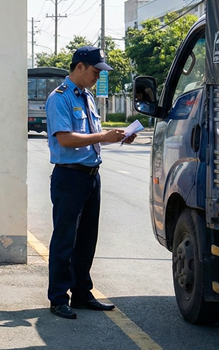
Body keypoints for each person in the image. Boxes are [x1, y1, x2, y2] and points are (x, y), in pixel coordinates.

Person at [45, 46, 136, 320]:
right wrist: (102, 138)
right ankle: (58, 298)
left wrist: (118, 136)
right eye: (95, 71)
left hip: (90, 177)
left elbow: (93, 134)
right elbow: (66, 138)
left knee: (86, 240)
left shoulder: (87, 97)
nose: (98, 76)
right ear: (80, 67)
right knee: (65, 240)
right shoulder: (59, 98)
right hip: (69, 177)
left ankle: (82, 293)